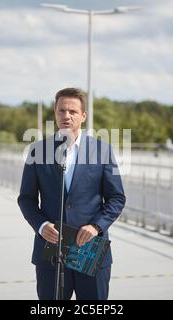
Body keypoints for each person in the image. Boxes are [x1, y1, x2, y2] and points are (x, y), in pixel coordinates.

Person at [17, 88, 126, 300]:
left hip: (90, 249)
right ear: (55, 113)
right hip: (52, 249)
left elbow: (116, 198)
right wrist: (41, 225)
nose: (66, 116)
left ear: (83, 116)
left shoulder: (102, 151)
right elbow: (26, 199)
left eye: (73, 111)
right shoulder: (37, 151)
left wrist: (96, 226)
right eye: (61, 110)